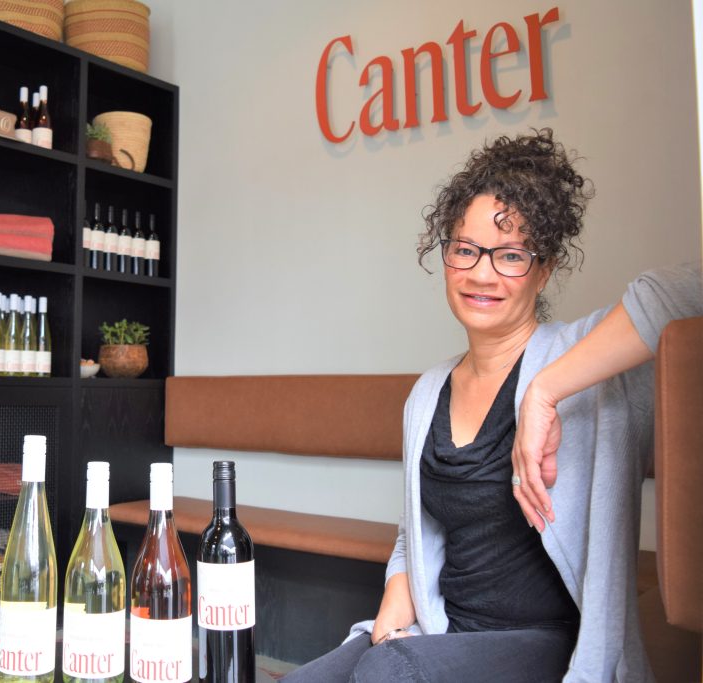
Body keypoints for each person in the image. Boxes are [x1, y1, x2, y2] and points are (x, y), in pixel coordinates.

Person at [283, 129, 702, 682]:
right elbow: (417, 532)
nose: (482, 273)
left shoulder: (590, 367)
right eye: (465, 249)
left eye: (510, 256)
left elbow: (688, 290)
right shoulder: (428, 392)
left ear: (544, 268)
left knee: (390, 676)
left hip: (550, 645)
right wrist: (389, 618)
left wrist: (544, 391)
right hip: (444, 636)